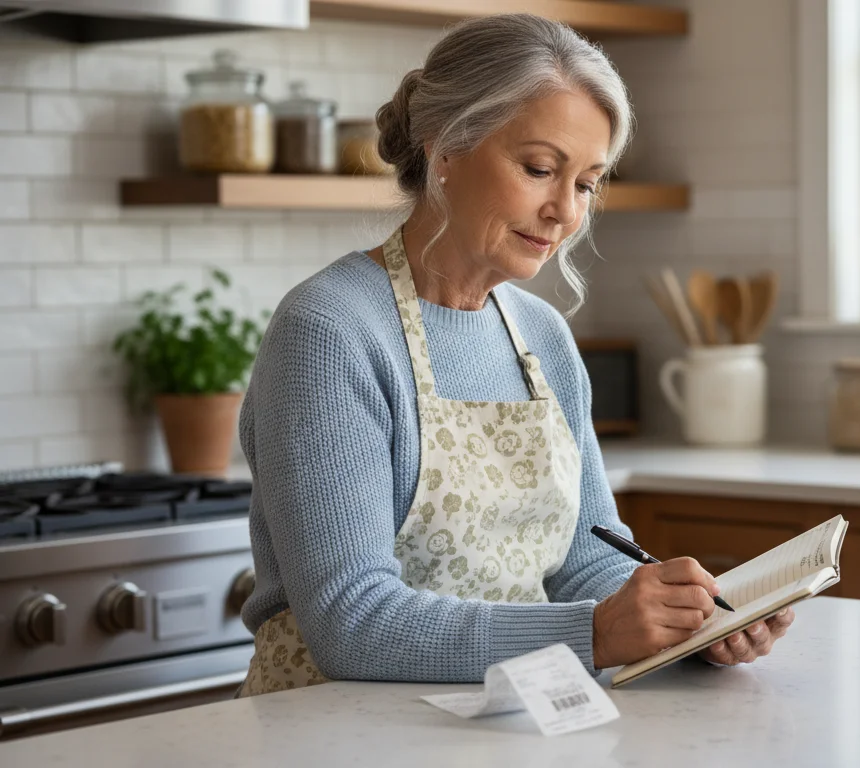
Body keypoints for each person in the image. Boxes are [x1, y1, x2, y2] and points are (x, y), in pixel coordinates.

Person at [236, 13, 792, 696]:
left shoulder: (541, 334)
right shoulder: (328, 332)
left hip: (509, 718)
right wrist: (596, 633)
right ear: (445, 148)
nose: (565, 210)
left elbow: (586, 561)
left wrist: (690, 621)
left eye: (587, 182)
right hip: (335, 733)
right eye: (539, 169)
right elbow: (349, 622)